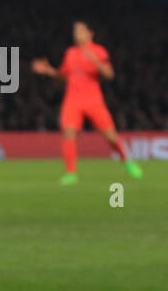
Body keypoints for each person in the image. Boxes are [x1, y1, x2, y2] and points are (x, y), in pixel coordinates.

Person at [31, 21, 143, 184]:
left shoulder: (98, 51)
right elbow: (63, 76)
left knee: (111, 137)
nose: (77, 34)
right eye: (75, 31)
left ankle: (127, 161)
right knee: (68, 132)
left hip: (93, 100)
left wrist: (94, 61)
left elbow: (109, 74)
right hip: (73, 100)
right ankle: (71, 173)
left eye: (80, 31)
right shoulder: (70, 53)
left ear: (90, 34)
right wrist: (48, 70)